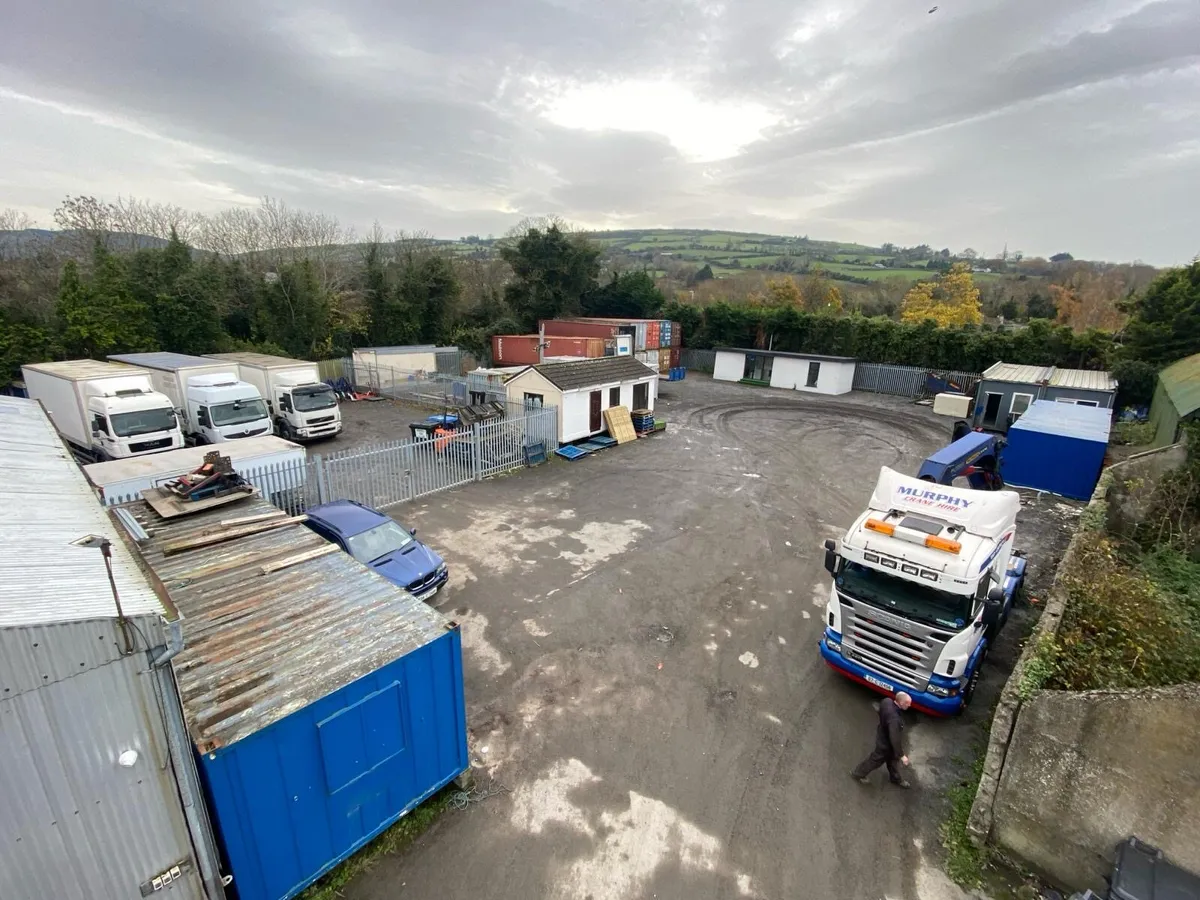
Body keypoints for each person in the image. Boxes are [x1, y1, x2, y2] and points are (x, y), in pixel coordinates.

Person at [851, 692, 912, 788]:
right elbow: (894, 738)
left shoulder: (887, 701)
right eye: (908, 703)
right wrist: (902, 755)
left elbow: (880, 712)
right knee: (875, 760)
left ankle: (895, 778)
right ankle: (858, 773)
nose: (910, 705)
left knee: (892, 761)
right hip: (886, 745)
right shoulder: (894, 720)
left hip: (882, 735)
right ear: (901, 703)